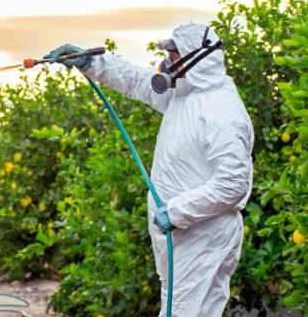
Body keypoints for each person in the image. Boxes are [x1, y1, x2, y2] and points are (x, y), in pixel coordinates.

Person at [45, 22, 254, 316]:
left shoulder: (220, 110)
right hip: (185, 237)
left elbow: (232, 185)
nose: (166, 62)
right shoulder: (184, 96)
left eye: (173, 55)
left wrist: (177, 211)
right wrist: (92, 62)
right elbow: (136, 80)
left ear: (198, 57)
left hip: (203, 236)